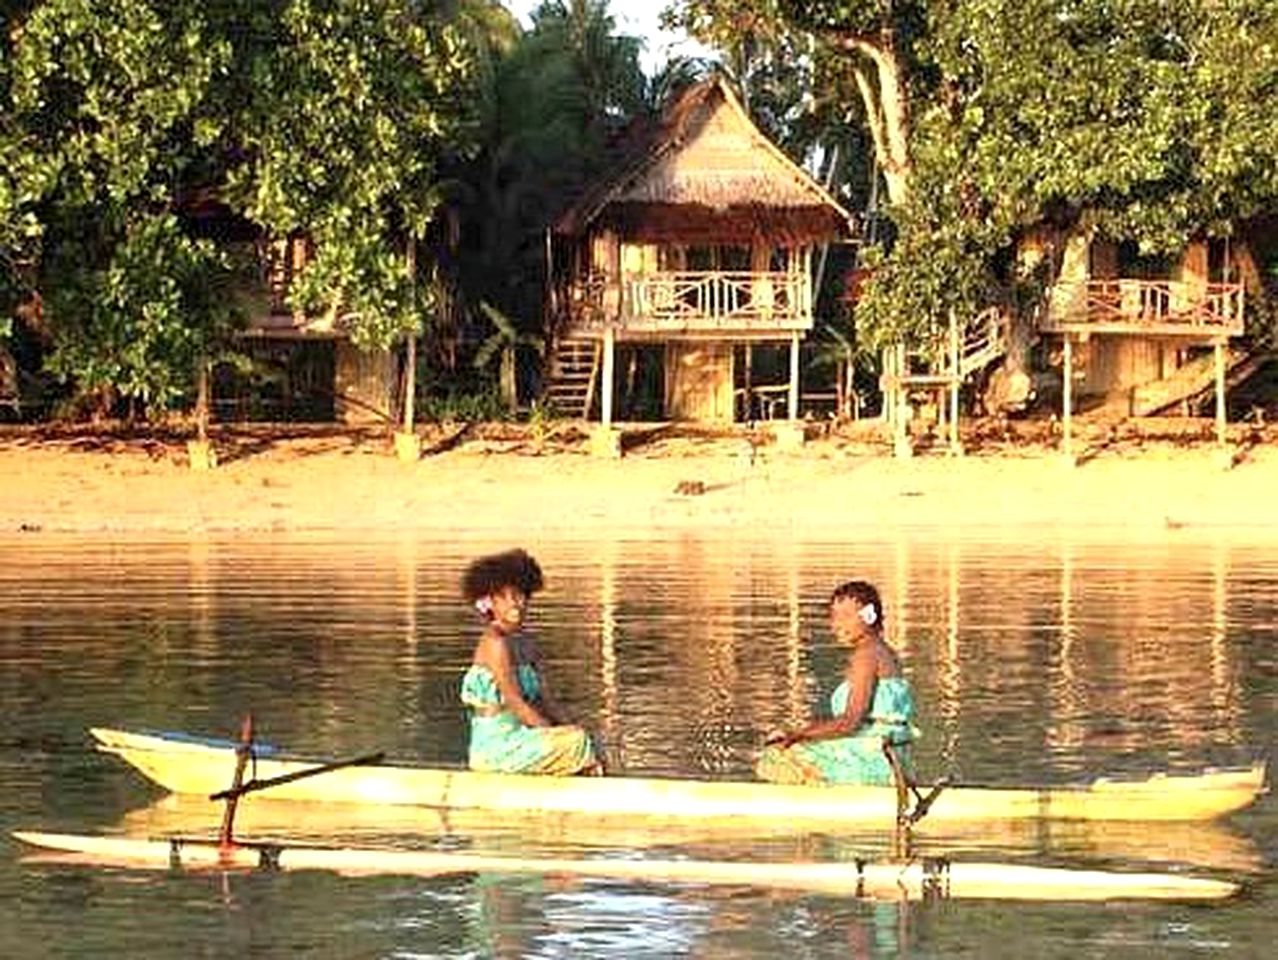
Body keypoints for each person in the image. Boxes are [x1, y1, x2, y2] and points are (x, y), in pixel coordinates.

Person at [756, 580, 917, 786]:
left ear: (869, 617)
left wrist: (796, 735)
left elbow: (851, 721)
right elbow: (865, 720)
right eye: (834, 617)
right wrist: (806, 732)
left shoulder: (866, 656)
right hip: (893, 756)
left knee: (777, 754)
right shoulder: (883, 651)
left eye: (847, 617)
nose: (837, 625)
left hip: (873, 760)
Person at [459, 548, 602, 775]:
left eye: (520, 595)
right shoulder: (495, 643)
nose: (515, 603)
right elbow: (516, 704)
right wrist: (553, 735)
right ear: (491, 604)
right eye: (505, 597)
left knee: (582, 738)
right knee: (576, 743)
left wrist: (569, 727)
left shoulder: (526, 643)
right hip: (497, 748)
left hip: (524, 738)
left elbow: (547, 700)